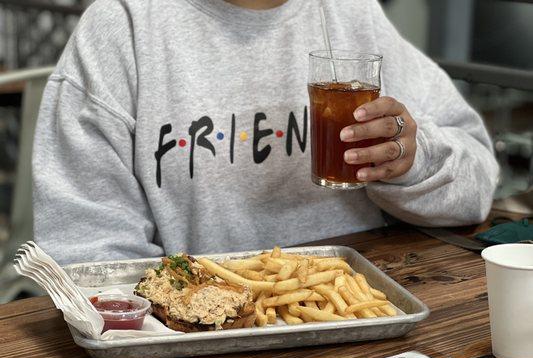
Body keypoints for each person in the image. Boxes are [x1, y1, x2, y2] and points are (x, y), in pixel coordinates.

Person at [33, 0, 499, 264]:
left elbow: (476, 184)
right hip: (190, 352)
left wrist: (409, 163)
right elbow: (88, 249)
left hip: (358, 328)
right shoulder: (124, 25)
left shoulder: (350, 15)